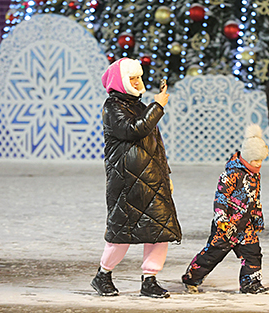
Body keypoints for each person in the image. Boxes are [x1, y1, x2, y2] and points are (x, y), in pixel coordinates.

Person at [91, 58, 182, 298]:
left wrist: (165, 174)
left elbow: (156, 146)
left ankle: (150, 279)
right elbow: (133, 130)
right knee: (122, 232)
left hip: (151, 179)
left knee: (158, 231)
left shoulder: (141, 106)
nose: (137, 82)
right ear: (120, 82)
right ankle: (103, 275)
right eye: (132, 79)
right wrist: (158, 106)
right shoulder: (112, 107)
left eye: (138, 78)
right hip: (125, 182)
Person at [181, 124, 269, 294]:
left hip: (245, 226)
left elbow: (254, 199)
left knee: (253, 253)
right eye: (255, 160)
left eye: (261, 160)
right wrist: (221, 218)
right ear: (245, 157)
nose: (258, 164)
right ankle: (192, 278)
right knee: (213, 254)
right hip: (226, 226)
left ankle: (251, 283)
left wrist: (258, 218)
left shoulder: (254, 175)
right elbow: (221, 197)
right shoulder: (231, 175)